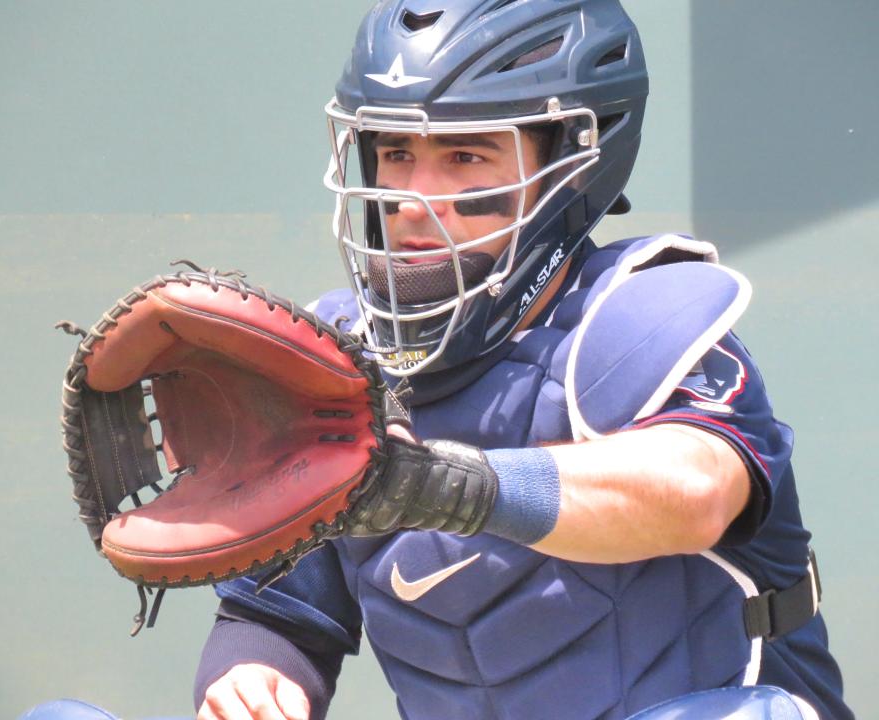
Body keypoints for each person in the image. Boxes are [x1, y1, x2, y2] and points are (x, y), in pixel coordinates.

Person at [193, 1, 851, 719]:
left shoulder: (644, 316)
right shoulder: (335, 362)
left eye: (465, 156)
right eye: (395, 152)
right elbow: (280, 618)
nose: (412, 197)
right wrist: (254, 680)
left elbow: (700, 492)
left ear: (571, 168)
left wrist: (447, 487)